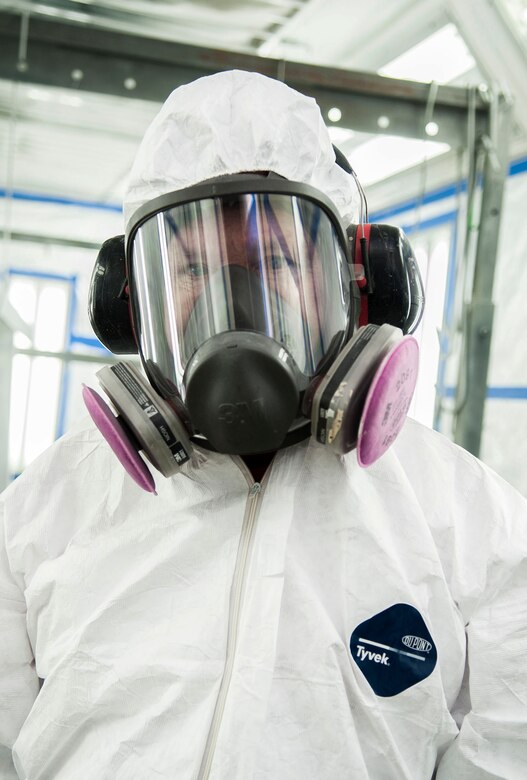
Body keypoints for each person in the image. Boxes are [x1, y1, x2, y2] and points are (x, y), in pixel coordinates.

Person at [0, 69, 526, 780]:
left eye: (276, 258)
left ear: (360, 281)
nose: (233, 297)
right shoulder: (41, 513)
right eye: (191, 268)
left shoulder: (469, 521)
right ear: (130, 306)